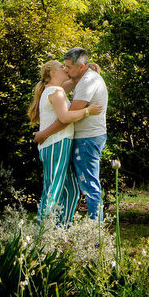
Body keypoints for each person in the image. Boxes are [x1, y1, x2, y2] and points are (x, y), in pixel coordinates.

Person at [29, 59, 101, 225]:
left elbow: (74, 82)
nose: (65, 69)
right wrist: (88, 111)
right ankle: (44, 234)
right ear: (52, 72)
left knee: (72, 190)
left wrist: (86, 71)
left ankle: (61, 229)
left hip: (61, 142)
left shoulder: (56, 90)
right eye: (61, 67)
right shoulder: (55, 91)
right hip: (56, 143)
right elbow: (65, 117)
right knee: (53, 188)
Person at [60, 47, 109, 221]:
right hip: (84, 137)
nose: (65, 70)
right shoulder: (83, 78)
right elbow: (55, 89)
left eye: (68, 67)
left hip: (88, 138)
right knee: (81, 185)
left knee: (89, 186)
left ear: (81, 67)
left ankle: (96, 234)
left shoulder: (88, 81)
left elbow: (70, 114)